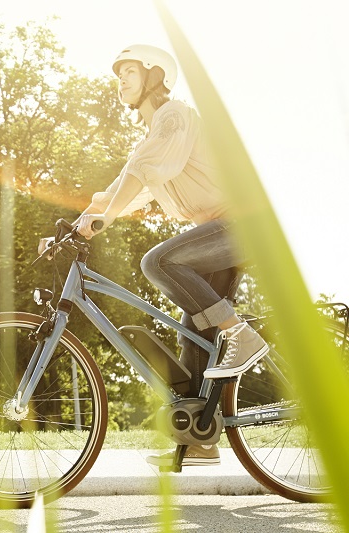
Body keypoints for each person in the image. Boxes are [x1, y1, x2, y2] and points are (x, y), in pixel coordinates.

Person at [46, 44, 269, 467]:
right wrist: (75, 226)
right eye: (118, 74)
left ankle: (241, 334)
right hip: (218, 235)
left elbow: (142, 173)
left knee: (159, 262)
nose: (121, 81)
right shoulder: (154, 137)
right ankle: (201, 440)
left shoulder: (174, 116)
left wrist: (104, 218)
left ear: (153, 76)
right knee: (195, 338)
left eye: (129, 71)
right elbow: (123, 189)